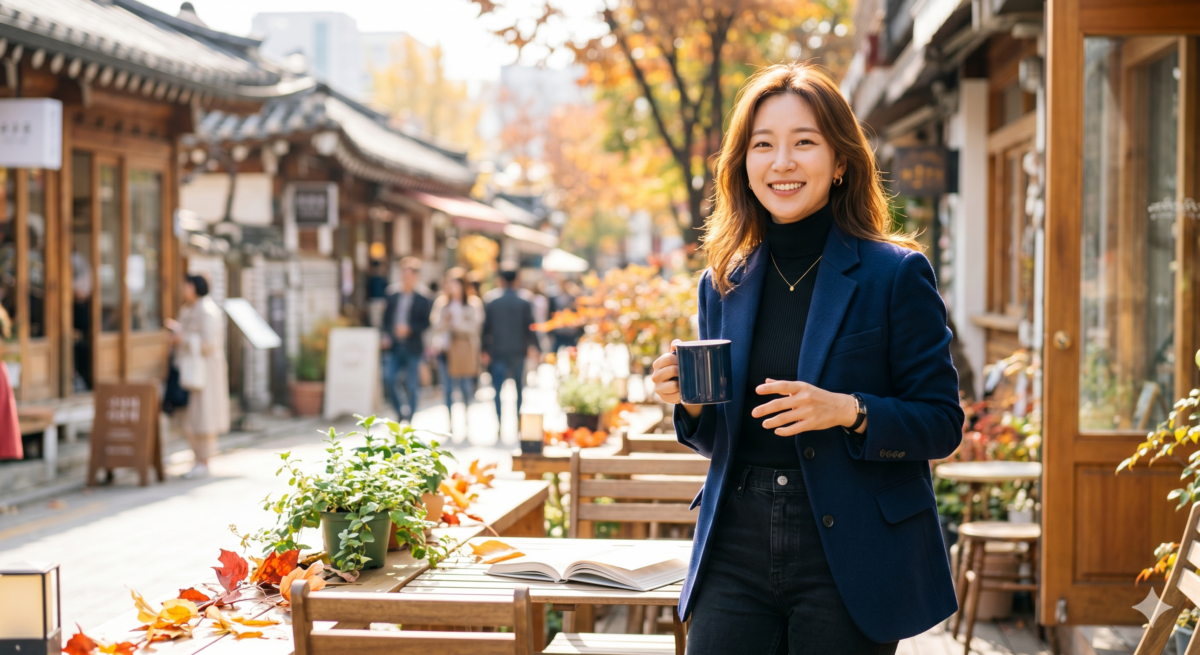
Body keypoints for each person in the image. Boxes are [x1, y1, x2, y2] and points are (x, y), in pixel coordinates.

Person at [650, 62, 963, 654]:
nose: (782, 162)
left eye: (804, 143)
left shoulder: (894, 274)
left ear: (840, 161)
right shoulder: (723, 281)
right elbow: (719, 439)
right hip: (735, 541)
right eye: (762, 145)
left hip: (851, 549)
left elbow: (942, 424)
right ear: (743, 163)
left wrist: (847, 410)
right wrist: (690, 404)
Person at [167, 275, 230, 479]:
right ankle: (197, 460)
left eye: (186, 285)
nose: (183, 288)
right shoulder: (189, 308)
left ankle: (203, 461)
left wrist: (182, 337)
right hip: (190, 369)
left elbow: (209, 343)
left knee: (204, 417)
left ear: (194, 287)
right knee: (192, 417)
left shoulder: (207, 310)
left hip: (205, 372)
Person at [481, 264, 538, 434]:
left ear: (501, 280)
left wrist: (484, 350)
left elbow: (486, 328)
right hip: (518, 350)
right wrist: (535, 347)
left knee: (498, 390)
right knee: (519, 389)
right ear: (516, 280)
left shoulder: (492, 301)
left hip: (498, 350)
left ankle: (499, 423)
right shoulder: (524, 301)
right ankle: (518, 423)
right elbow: (530, 327)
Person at [430, 267, 483, 429]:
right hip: (446, 349)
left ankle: (466, 419)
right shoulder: (441, 303)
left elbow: (475, 326)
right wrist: (445, 323)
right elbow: (434, 325)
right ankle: (450, 422)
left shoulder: (472, 303)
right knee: (447, 387)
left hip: (464, 349)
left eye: (455, 284)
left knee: (465, 386)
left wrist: (456, 324)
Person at [382, 257, 432, 422]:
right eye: (403, 274)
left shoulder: (423, 297)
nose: (405, 278)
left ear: (416, 276)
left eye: (409, 275)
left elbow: (426, 323)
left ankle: (410, 417)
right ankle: (400, 411)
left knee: (411, 383)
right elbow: (385, 319)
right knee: (389, 378)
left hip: (413, 345)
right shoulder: (392, 294)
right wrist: (387, 334)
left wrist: (410, 329)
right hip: (395, 345)